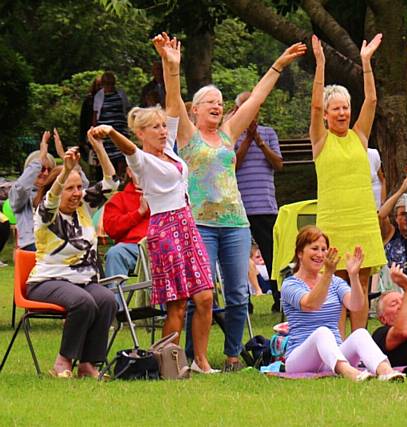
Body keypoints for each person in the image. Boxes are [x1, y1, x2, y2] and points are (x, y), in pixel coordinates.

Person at [156, 32, 306, 372]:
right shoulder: (187, 135)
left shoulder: (228, 133)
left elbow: (256, 99)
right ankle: (196, 356)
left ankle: (233, 355)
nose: (217, 104)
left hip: (236, 224)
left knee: (240, 295)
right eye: (209, 101)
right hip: (200, 225)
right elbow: (172, 98)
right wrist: (172, 66)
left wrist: (278, 65)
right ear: (195, 110)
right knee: (202, 293)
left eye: (220, 101)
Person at [89, 78, 217, 373]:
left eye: (163, 126)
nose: (163, 131)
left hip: (186, 223)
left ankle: (201, 362)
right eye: (156, 127)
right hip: (164, 227)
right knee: (178, 304)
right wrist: (111, 132)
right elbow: (130, 151)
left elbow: (173, 103)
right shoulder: (142, 161)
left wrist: (170, 63)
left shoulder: (170, 150)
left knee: (205, 296)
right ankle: (169, 366)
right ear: (140, 132)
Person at [309, 34, 387, 334]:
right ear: (327, 115)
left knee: (362, 282)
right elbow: (314, 107)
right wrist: (320, 64)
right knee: (336, 283)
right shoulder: (320, 139)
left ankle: (360, 339)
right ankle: (338, 342)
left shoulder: (359, 136)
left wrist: (366, 63)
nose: (342, 113)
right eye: (336, 108)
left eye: (346, 107)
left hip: (362, 219)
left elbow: (372, 100)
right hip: (334, 221)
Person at [27, 137, 118, 379]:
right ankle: (62, 362)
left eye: (79, 187)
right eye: (70, 188)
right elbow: (52, 199)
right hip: (46, 281)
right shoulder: (45, 214)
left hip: (84, 282)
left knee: (107, 299)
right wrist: (65, 171)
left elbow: (112, 181)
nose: (77, 193)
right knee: (83, 302)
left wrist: (98, 147)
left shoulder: (84, 208)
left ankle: (88, 365)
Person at [281, 226, 405, 382]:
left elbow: (356, 305)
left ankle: (386, 372)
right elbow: (310, 304)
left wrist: (354, 276)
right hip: (300, 359)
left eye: (324, 249)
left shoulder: (335, 282)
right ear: (300, 253)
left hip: (333, 354)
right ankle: (351, 374)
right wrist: (327, 273)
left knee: (360, 333)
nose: (320, 254)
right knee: (322, 332)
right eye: (314, 248)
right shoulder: (290, 284)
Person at [232, 91, 284, 311]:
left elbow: (278, 164)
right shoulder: (231, 135)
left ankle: (278, 298)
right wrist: (248, 140)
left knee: (271, 252)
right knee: (240, 255)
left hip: (264, 204)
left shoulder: (269, 133)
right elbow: (234, 165)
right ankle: (244, 301)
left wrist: (260, 141)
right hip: (239, 206)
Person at [9, 131, 56, 251]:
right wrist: (39, 160)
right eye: (41, 169)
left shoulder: (55, 193)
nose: (45, 173)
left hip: (55, 243)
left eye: (49, 170)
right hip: (32, 245)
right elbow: (21, 186)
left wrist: (65, 158)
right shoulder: (21, 195)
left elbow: (83, 187)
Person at [103, 167, 149, 278]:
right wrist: (139, 213)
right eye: (137, 168)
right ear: (129, 171)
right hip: (133, 250)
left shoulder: (164, 195)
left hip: (163, 246)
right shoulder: (119, 198)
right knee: (115, 253)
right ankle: (115, 295)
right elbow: (111, 229)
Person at [93, 71, 130, 178]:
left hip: (119, 128)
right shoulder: (99, 96)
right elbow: (95, 114)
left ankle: (120, 177)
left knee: (121, 154)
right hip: (104, 130)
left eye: (110, 83)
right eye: (106, 83)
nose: (108, 86)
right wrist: (94, 130)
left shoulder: (121, 93)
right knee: (106, 154)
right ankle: (108, 177)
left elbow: (126, 109)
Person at [79, 76, 102, 162]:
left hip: (104, 135)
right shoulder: (89, 100)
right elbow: (83, 120)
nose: (100, 88)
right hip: (91, 133)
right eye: (98, 85)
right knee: (92, 160)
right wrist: (82, 139)